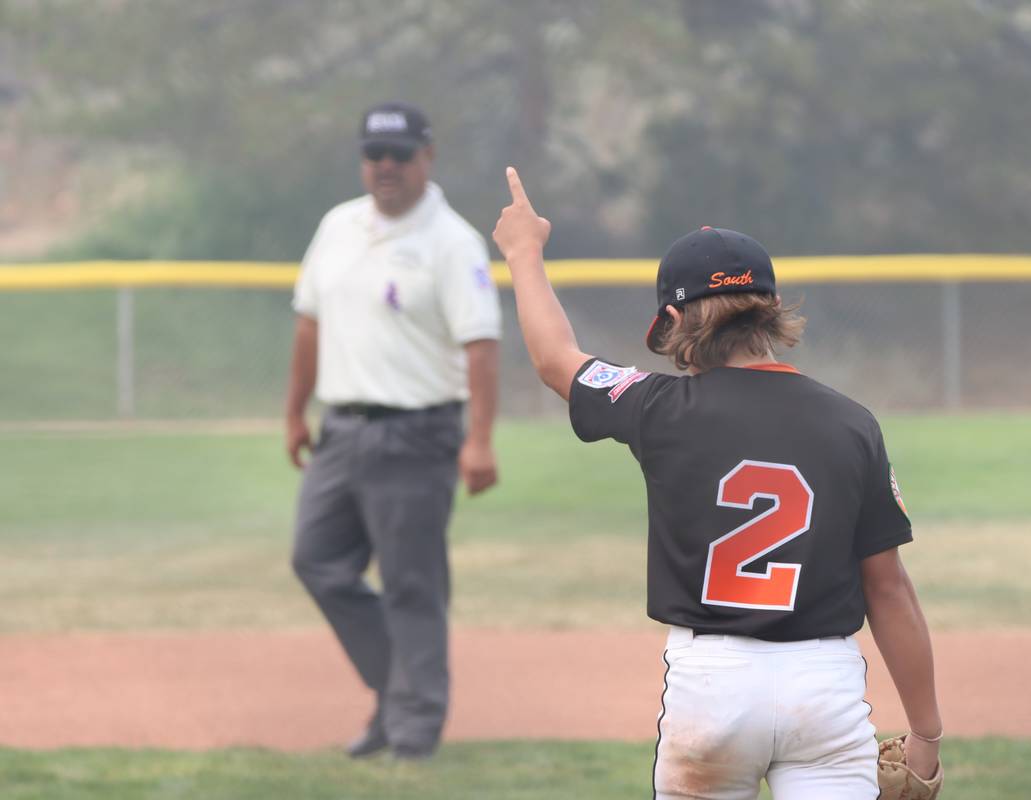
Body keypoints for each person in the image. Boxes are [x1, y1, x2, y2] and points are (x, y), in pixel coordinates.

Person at [492, 167, 943, 799]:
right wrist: (926, 734)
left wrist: (523, 251)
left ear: (676, 320)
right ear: (770, 308)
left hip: (713, 686)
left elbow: (553, 358)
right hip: (825, 686)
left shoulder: (657, 407)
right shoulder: (852, 423)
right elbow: (889, 591)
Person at [285, 102, 501, 760]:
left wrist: (480, 439)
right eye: (375, 155)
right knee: (316, 560)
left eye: (400, 155)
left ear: (426, 158)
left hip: (417, 433)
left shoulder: (452, 241)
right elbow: (309, 324)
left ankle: (412, 733)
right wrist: (295, 410)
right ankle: (397, 691)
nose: (386, 167)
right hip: (341, 429)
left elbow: (482, 345)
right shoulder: (337, 226)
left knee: (412, 584)